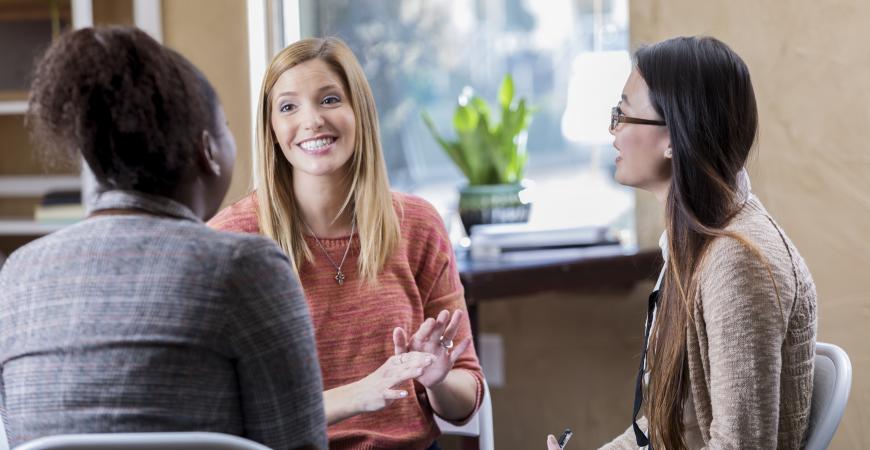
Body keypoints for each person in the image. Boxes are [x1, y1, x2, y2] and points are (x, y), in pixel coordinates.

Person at [0, 26, 330, 450]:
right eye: (227, 127)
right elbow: (299, 444)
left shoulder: (18, 274)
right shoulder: (244, 266)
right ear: (207, 150)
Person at [208, 36, 483, 449]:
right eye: (288, 107)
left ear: (360, 112)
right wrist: (357, 395)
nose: (312, 120)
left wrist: (437, 379)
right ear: (272, 129)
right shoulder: (231, 239)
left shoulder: (419, 226)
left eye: (330, 99)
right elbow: (226, 413)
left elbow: (465, 402)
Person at [546, 36, 817, 449]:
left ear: (674, 138)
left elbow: (741, 445)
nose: (613, 129)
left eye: (624, 114)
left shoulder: (738, 261)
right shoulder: (695, 240)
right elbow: (664, 426)